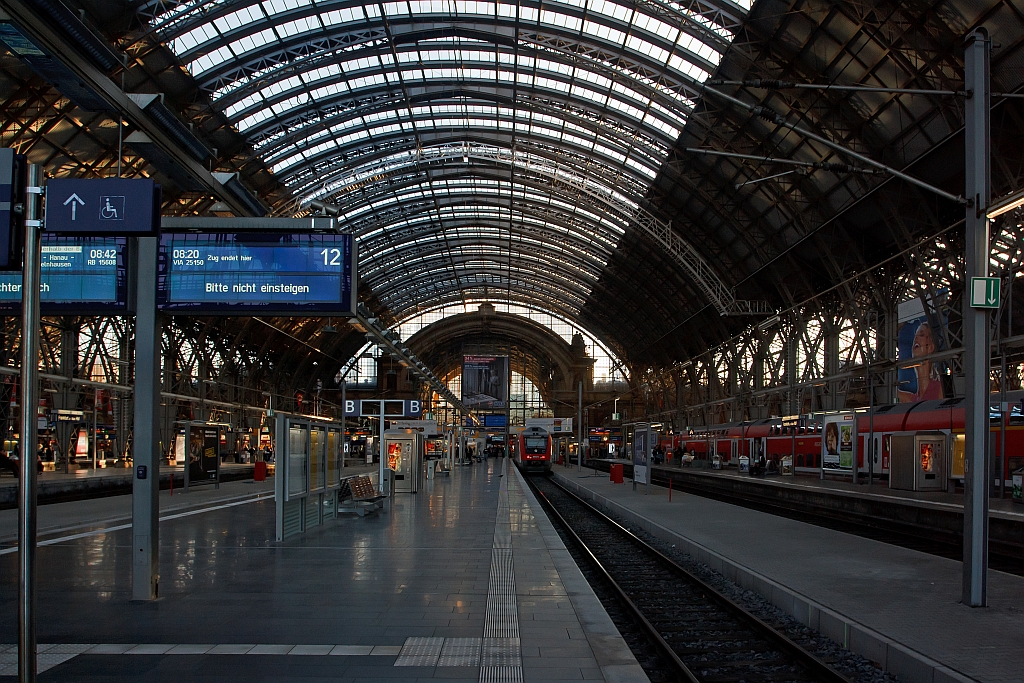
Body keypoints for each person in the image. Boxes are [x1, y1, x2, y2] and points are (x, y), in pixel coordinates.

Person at [897, 322, 944, 402]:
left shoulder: (941, 389)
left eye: (921, 335)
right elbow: (888, 393)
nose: (916, 339)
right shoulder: (912, 399)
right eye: (915, 336)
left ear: (931, 347)